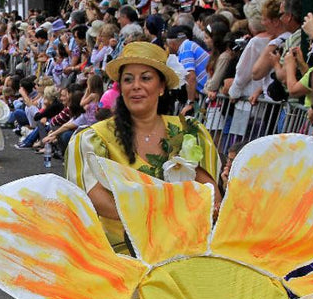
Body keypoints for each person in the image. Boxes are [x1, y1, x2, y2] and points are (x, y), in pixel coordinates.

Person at [66, 41, 221, 254]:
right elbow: (96, 196)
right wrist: (158, 218)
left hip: (181, 249)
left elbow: (210, 193)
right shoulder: (95, 137)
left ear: (161, 87)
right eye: (128, 79)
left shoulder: (189, 131)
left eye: (146, 78)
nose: (136, 85)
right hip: (119, 253)